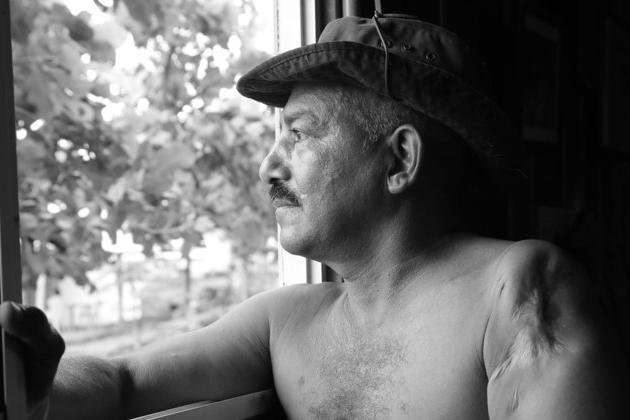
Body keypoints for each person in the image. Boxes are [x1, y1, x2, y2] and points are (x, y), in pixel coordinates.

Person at [0, 13, 627, 420]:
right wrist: (33, 381)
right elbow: (125, 381)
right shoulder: (287, 321)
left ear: (399, 160)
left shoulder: (519, 291)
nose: (268, 168)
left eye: (298, 135)